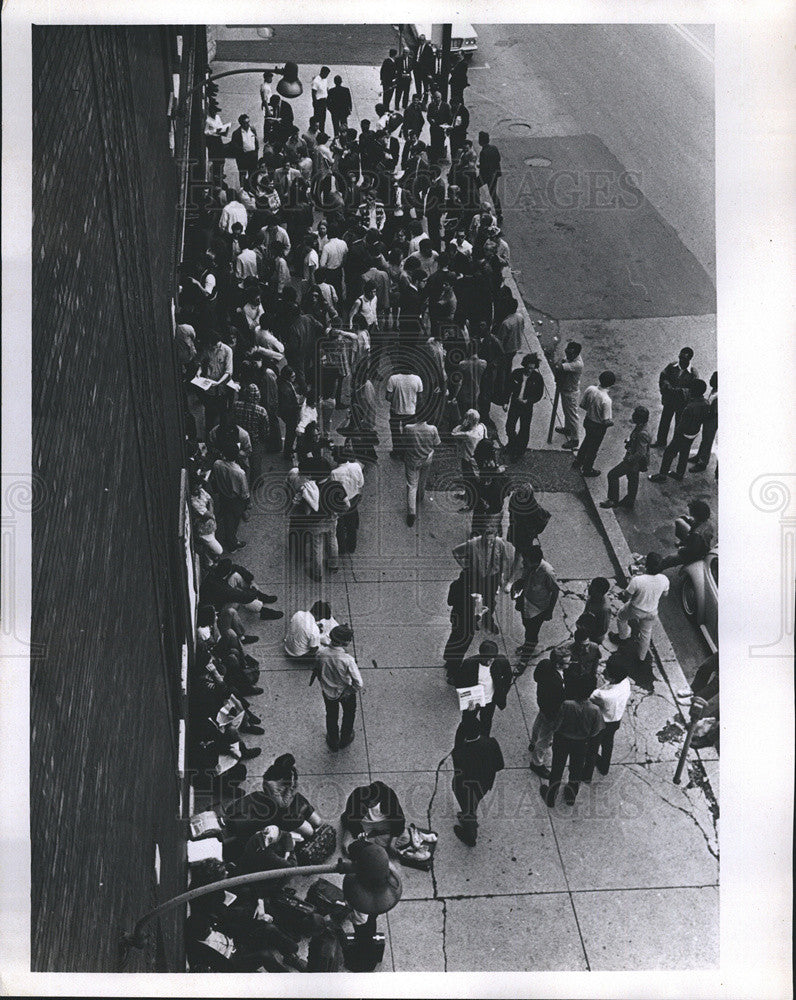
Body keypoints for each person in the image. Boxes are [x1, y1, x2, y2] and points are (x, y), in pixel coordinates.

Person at [540, 672, 604, 807]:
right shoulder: (595, 710)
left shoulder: (567, 705)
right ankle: (571, 795)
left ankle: (551, 796)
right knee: (576, 769)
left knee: (557, 767)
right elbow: (595, 732)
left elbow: (556, 724)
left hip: (562, 740)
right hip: (581, 744)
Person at [451, 711, 505, 846]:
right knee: (471, 807)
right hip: (484, 784)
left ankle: (470, 836)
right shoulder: (491, 743)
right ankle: (467, 817)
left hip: (465, 787)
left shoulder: (462, 752)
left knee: (469, 810)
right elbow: (500, 765)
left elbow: (456, 754)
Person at [452, 525, 514, 635]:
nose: (489, 543)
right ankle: (474, 619)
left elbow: (504, 559)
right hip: (476, 577)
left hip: (492, 577)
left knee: (490, 601)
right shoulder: (473, 544)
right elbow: (456, 552)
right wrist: (464, 566)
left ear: (495, 537)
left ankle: (488, 619)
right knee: (476, 600)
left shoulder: (500, 543)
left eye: (491, 540)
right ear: (483, 536)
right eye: (486, 540)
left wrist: (502, 576)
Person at [608, 551, 669, 662]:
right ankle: (641, 657)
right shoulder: (664, 579)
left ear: (646, 565)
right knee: (646, 633)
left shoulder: (637, 580)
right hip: (652, 611)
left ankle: (623, 637)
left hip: (636, 609)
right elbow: (665, 594)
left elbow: (627, 596)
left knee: (621, 617)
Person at [581, 656, 632, 780]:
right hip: (615, 720)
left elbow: (590, 698)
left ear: (613, 677)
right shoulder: (625, 683)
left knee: (592, 748)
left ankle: (587, 775)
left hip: (601, 722)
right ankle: (604, 766)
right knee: (608, 744)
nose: (604, 672)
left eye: (607, 671)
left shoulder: (602, 695)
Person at [314, 624, 363, 750]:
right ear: (345, 642)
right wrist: (349, 691)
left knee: (331, 715)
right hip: (344, 692)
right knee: (349, 714)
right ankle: (345, 737)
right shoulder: (348, 660)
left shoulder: (321, 653)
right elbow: (358, 683)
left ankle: (333, 740)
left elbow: (319, 669)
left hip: (328, 692)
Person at [648, 380, 708, 483]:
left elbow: (682, 425)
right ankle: (679, 473)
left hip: (683, 434)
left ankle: (662, 476)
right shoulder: (706, 403)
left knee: (668, 453)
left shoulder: (689, 407)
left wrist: (677, 434)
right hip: (694, 433)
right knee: (684, 452)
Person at [512, 545, 560, 670]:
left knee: (532, 634)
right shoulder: (529, 567)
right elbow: (524, 579)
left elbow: (555, 591)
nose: (523, 563)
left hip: (538, 609)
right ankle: (528, 645)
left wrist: (549, 611)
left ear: (535, 561)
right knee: (527, 627)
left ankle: (524, 659)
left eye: (525, 561)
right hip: (526, 602)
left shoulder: (547, 572)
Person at [453, 639, 512, 739]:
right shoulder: (469, 664)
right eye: (487, 660)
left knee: (486, 722)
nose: (489, 662)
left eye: (492, 659)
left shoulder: (501, 661)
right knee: (467, 721)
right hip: (473, 701)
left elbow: (508, 677)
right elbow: (459, 682)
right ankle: (464, 740)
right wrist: (467, 699)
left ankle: (483, 741)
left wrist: (502, 692)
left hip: (490, 701)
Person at [600, 405, 651, 510]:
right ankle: (630, 501)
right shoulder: (641, 427)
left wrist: (629, 460)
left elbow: (641, 452)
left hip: (632, 462)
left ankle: (613, 500)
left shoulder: (642, 433)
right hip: (635, 462)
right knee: (633, 479)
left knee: (612, 475)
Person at [528, 652, 566, 780]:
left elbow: (536, 677)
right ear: (558, 664)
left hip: (543, 704)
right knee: (545, 739)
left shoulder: (544, 663)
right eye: (567, 662)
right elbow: (561, 699)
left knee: (539, 723)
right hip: (552, 712)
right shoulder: (557, 682)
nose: (570, 664)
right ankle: (537, 763)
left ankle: (533, 742)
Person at [341, 780, 406, 854]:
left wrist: (392, 843)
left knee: (405, 837)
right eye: (368, 801)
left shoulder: (389, 795)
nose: (370, 804)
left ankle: (373, 843)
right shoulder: (357, 794)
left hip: (384, 822)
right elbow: (351, 819)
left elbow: (399, 820)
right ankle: (377, 842)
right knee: (346, 846)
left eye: (374, 802)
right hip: (363, 822)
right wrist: (359, 833)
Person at [654, 347, 700, 449]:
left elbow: (694, 390)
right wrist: (666, 385)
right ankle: (661, 441)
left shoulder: (693, 373)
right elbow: (663, 376)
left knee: (679, 426)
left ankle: (674, 446)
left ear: (689, 359)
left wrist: (681, 391)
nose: (681, 360)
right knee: (664, 422)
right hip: (669, 401)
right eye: (680, 357)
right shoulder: (672, 366)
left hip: (682, 404)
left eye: (684, 359)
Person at [209, 444, 250, 552]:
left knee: (227, 517)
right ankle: (232, 543)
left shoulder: (217, 464)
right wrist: (246, 503)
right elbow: (245, 492)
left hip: (223, 495)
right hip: (235, 499)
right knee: (233, 521)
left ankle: (228, 537)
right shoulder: (240, 473)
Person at [573, 371, 616, 476]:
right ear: (611, 384)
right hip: (598, 427)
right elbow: (605, 421)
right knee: (593, 448)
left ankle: (578, 461)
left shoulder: (590, 389)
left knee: (586, 441)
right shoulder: (606, 400)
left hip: (588, 421)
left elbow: (583, 405)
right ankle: (587, 469)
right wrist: (612, 423)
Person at [505, 353, 544, 461]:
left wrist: (528, 401)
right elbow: (508, 388)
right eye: (528, 367)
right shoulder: (516, 373)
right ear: (524, 365)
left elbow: (539, 395)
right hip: (515, 404)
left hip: (526, 407)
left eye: (532, 368)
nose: (530, 370)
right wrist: (505, 402)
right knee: (509, 426)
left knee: (524, 429)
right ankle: (512, 443)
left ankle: (519, 451)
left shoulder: (538, 378)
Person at [657, 499, 715, 570]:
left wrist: (681, 549)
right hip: (702, 546)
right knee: (682, 522)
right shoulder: (707, 525)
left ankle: (655, 569)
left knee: (669, 559)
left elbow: (692, 551)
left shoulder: (697, 534)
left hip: (696, 554)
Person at [450, 409, 488, 511]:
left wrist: (462, 425)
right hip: (480, 459)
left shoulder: (468, 435)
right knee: (475, 481)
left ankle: (471, 503)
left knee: (469, 481)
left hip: (468, 460)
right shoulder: (482, 427)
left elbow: (453, 433)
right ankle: (469, 496)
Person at [331, 442, 365, 554]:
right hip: (355, 497)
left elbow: (334, 490)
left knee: (340, 526)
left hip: (342, 502)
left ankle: (342, 548)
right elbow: (361, 483)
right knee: (351, 526)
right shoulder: (356, 466)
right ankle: (352, 546)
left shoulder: (334, 473)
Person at [443, 567, 476, 678]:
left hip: (456, 617)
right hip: (467, 621)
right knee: (461, 645)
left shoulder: (454, 585)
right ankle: (453, 671)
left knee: (454, 638)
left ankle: (448, 660)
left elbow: (450, 602)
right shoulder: (472, 592)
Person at [386, 365, 424, 457]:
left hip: (396, 410)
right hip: (411, 411)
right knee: (410, 433)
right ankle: (408, 453)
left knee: (395, 432)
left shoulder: (393, 378)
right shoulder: (417, 379)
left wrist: (396, 398)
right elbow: (421, 399)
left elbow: (388, 397)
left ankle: (397, 452)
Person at [553, 341, 584, 450]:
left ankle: (575, 439)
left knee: (572, 416)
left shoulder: (577, 364)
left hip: (571, 392)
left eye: (570, 353)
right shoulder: (570, 358)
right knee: (567, 412)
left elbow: (558, 367)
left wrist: (559, 363)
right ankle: (567, 429)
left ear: (576, 354)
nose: (567, 355)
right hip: (565, 389)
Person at [690, 370, 717, 473]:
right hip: (709, 419)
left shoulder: (717, 395)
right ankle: (699, 456)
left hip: (712, 420)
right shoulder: (714, 390)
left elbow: (713, 412)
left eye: (712, 379)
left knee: (708, 440)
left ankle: (702, 462)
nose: (710, 379)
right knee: (705, 439)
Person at [577, 577, 612, 645]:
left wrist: (588, 634)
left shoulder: (604, 610)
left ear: (600, 593)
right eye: (590, 586)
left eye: (593, 589)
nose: (589, 589)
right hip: (586, 628)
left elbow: (603, 629)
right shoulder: (593, 596)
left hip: (594, 636)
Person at [477, 131, 502, 223]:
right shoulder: (494, 148)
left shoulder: (483, 152)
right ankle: (499, 213)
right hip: (494, 174)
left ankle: (477, 207)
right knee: (493, 194)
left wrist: (479, 168)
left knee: (474, 187)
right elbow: (498, 159)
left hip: (486, 176)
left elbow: (483, 168)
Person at [229, 114, 259, 183]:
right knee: (243, 174)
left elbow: (256, 141)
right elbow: (234, 146)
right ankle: (243, 189)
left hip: (253, 156)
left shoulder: (252, 129)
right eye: (246, 123)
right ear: (241, 123)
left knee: (253, 174)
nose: (248, 124)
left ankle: (253, 187)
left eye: (248, 122)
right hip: (243, 157)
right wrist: (242, 151)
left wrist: (256, 151)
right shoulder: (236, 133)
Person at [311, 66, 331, 132]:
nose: (327, 76)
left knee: (323, 119)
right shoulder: (316, 81)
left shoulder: (325, 79)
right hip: (318, 101)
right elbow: (313, 92)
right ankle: (317, 132)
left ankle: (322, 132)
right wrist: (315, 102)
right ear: (322, 72)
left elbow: (326, 88)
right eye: (326, 74)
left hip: (324, 101)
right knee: (317, 119)